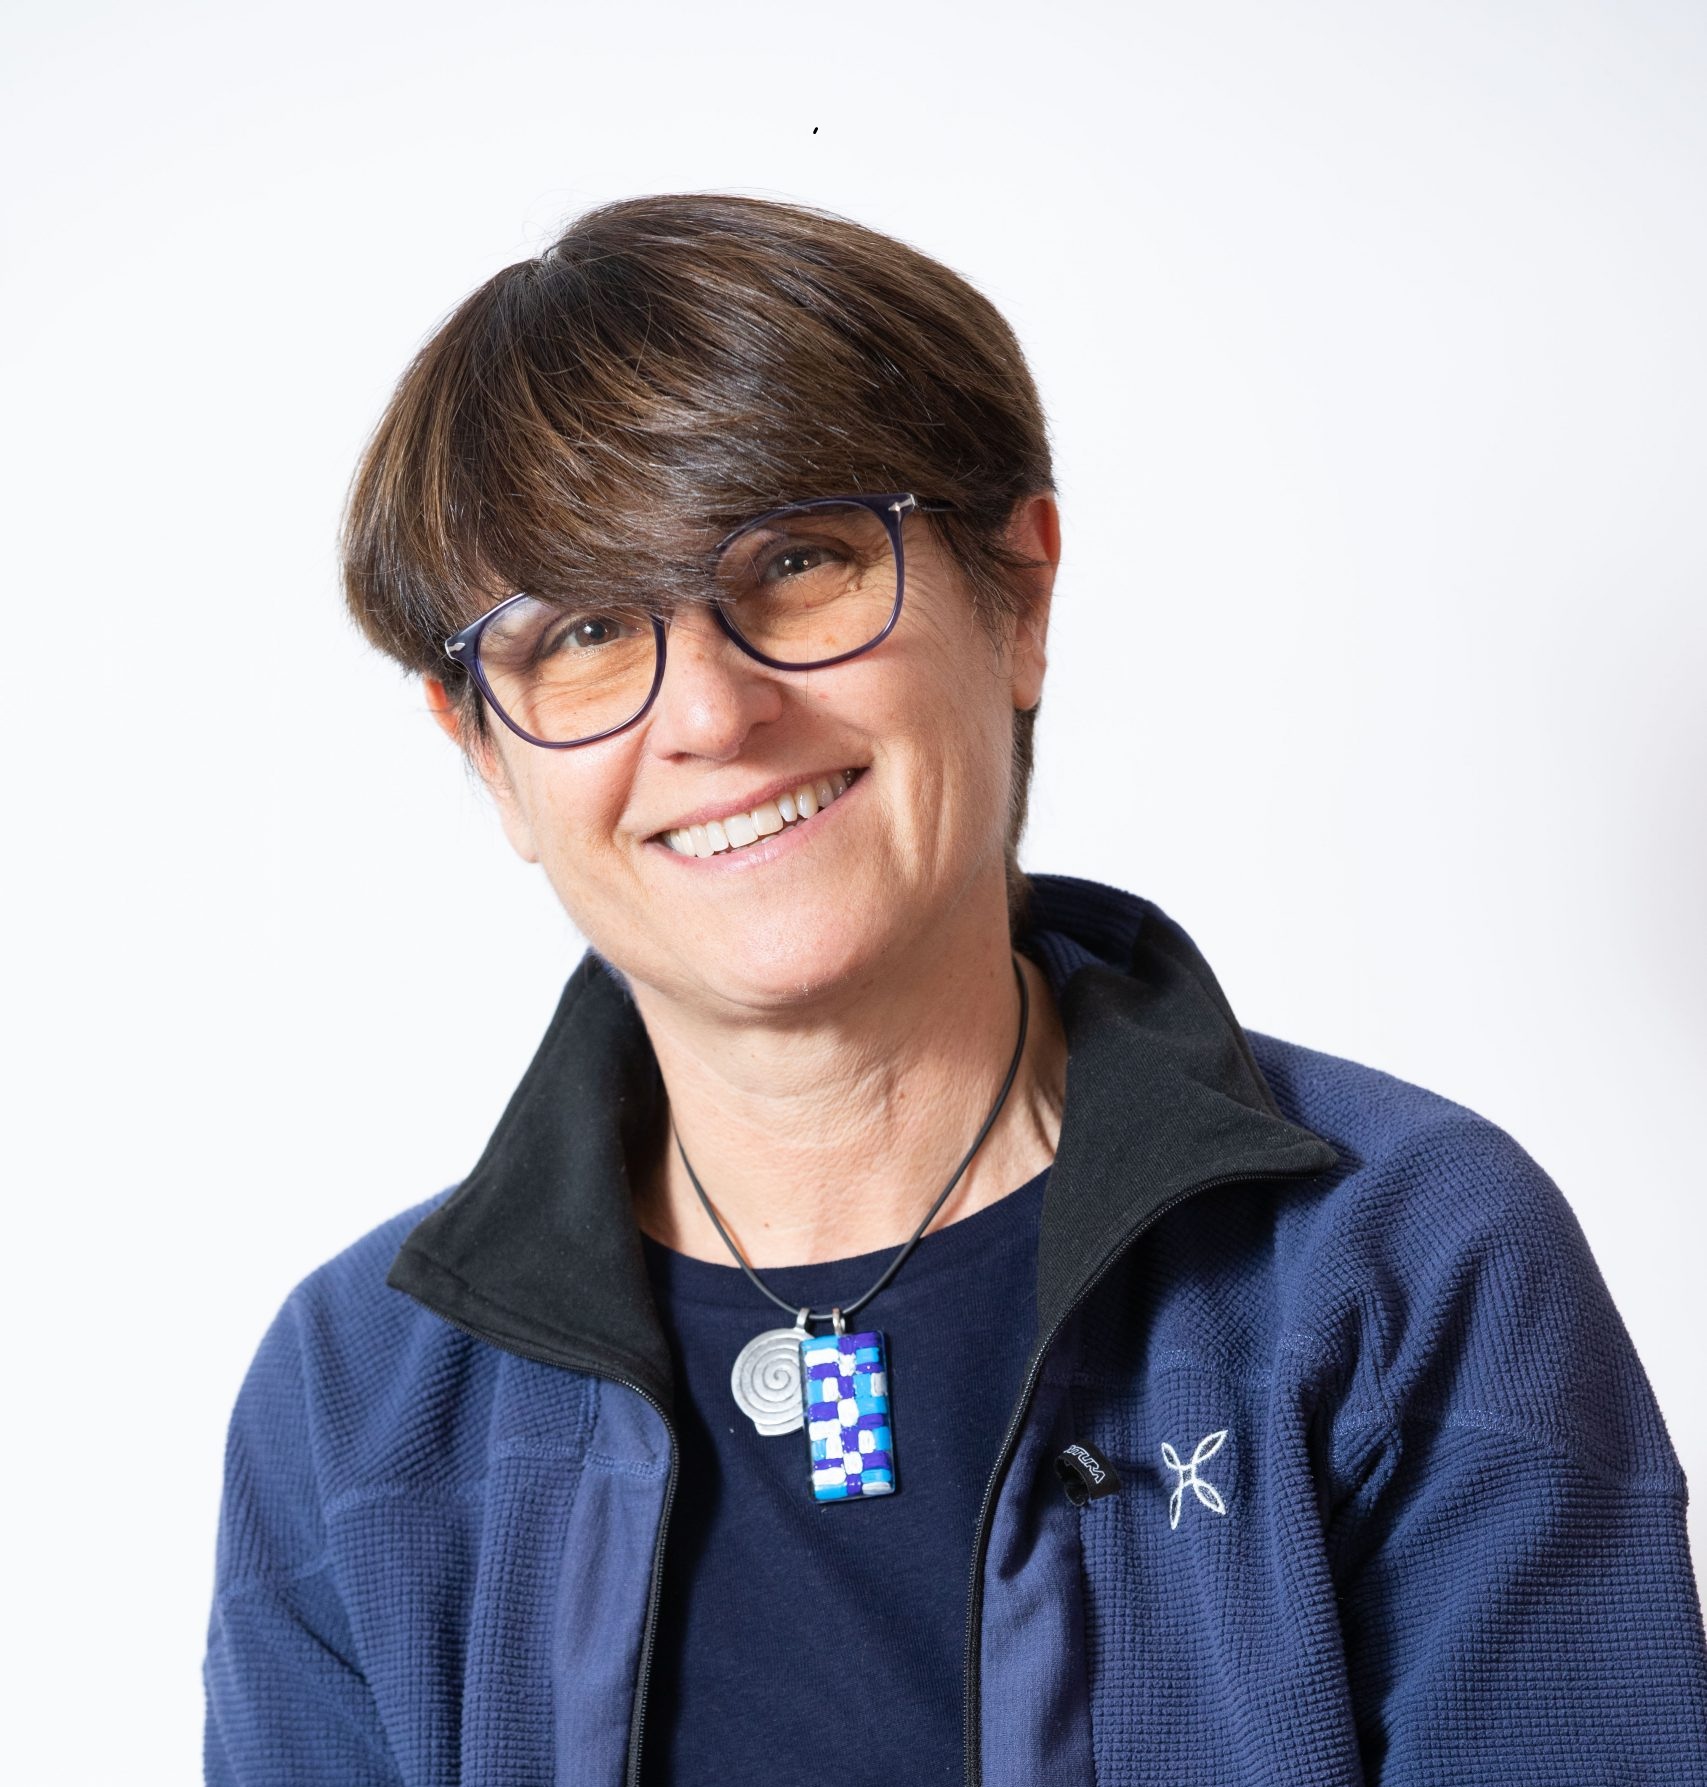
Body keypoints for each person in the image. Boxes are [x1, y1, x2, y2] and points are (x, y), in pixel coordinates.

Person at [202, 192, 1707, 1787]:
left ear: (1020, 598)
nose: (710, 713)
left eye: (798, 562)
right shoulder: (355, 1404)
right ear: (485, 752)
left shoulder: (1408, 1267)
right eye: (579, 629)